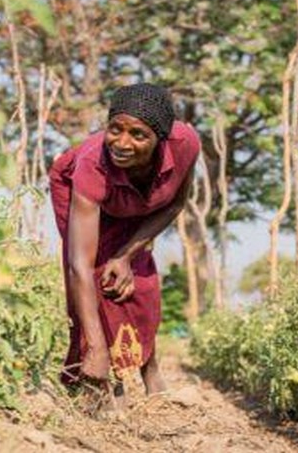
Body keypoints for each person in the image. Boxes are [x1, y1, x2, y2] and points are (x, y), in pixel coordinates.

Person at [48, 83, 200, 398]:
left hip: (137, 203)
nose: (122, 143)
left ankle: (149, 366)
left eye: (138, 135)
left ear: (161, 139)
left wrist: (127, 254)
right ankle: (98, 379)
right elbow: (80, 264)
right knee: (96, 275)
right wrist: (97, 349)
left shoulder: (185, 143)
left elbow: (174, 204)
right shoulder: (93, 164)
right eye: (114, 129)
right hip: (81, 193)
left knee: (140, 283)